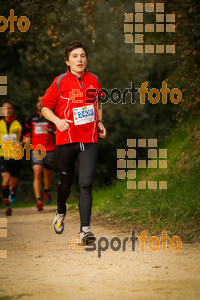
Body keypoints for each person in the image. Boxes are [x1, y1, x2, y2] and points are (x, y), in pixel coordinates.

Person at [41, 40, 106, 244]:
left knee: (86, 183)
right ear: (67, 61)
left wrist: (100, 121)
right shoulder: (60, 81)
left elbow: (98, 102)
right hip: (66, 141)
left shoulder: (94, 80)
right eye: (75, 56)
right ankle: (61, 210)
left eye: (83, 56)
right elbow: (45, 107)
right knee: (65, 184)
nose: (80, 59)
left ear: (87, 59)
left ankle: (84, 231)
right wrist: (57, 120)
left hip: (89, 139)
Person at [23, 96, 56, 211]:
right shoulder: (31, 118)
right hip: (37, 149)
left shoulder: (52, 116)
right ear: (36, 104)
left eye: (43, 102)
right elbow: (26, 133)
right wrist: (25, 141)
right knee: (37, 173)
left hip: (50, 149)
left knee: (47, 175)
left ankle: (46, 190)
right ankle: (38, 199)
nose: (40, 104)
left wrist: (51, 131)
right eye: (39, 102)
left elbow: (59, 131)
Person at [0, 100, 23, 216]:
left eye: (9, 108)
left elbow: (27, 137)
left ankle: (13, 191)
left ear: (13, 109)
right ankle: (7, 204)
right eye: (4, 108)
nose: (7, 111)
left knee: (13, 180)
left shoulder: (19, 123)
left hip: (16, 155)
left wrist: (22, 143)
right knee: (5, 178)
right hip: (2, 154)